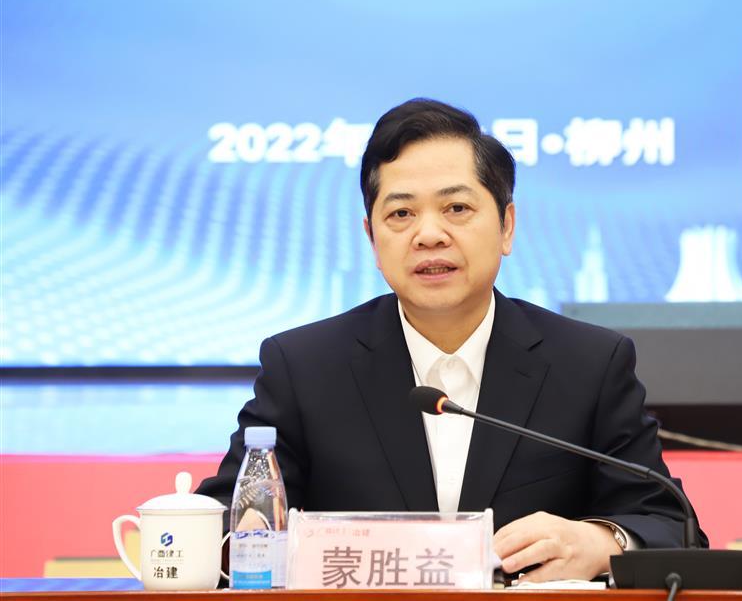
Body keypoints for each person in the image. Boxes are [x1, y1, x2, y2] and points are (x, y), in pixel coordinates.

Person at [196, 98, 706, 582]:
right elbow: (226, 523)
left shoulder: (588, 364)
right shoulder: (304, 367)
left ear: (506, 226)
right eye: (401, 214)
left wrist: (599, 542)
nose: (429, 234)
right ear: (372, 239)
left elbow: (671, 527)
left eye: (457, 208)